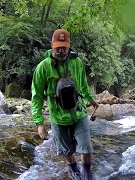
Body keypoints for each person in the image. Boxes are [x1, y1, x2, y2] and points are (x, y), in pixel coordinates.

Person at [31, 29, 99, 180]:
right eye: (58, 47)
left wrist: (91, 99)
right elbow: (36, 97)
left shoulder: (77, 62)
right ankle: (74, 170)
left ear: (69, 46)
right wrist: (39, 122)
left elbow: (83, 85)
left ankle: (87, 174)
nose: (61, 50)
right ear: (52, 45)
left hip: (79, 113)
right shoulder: (43, 67)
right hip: (58, 117)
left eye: (64, 47)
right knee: (66, 151)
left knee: (86, 149)